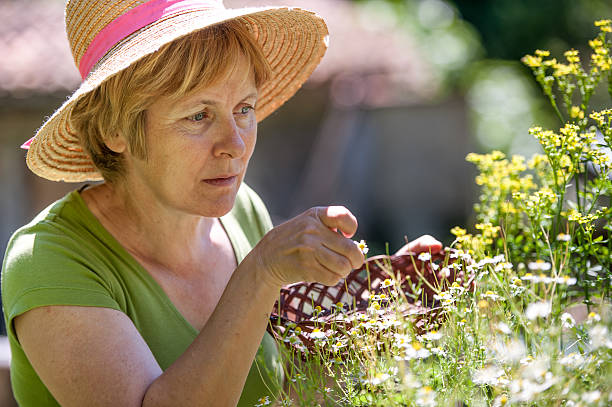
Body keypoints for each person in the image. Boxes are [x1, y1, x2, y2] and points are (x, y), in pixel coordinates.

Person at [1, 1, 442, 406]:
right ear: (114, 130)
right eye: (199, 115)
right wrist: (259, 273)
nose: (234, 144)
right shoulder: (49, 260)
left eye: (244, 109)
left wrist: (378, 327)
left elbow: (276, 392)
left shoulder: (241, 211)